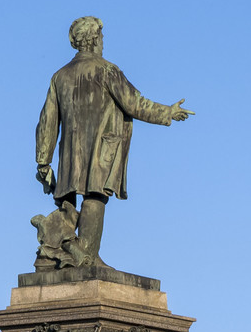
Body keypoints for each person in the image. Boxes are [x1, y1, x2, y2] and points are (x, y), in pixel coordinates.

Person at [34, 17, 191, 269]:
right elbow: (134, 103)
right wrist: (167, 112)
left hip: (69, 155)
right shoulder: (107, 71)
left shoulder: (59, 77)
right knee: (95, 197)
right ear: (94, 39)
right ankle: (86, 256)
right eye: (101, 37)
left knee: (69, 201)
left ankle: (58, 250)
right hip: (100, 150)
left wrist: (43, 161)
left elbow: (47, 123)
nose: (103, 42)